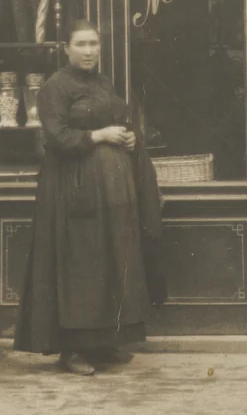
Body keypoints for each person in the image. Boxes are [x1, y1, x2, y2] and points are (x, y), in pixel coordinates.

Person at [14, 20, 166, 375]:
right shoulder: (55, 87)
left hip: (111, 189)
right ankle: (72, 351)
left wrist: (130, 138)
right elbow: (56, 137)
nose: (88, 51)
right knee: (79, 263)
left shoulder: (103, 83)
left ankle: (101, 344)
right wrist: (99, 136)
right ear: (66, 48)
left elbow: (122, 121)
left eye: (93, 44)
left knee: (109, 260)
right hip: (73, 187)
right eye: (80, 44)